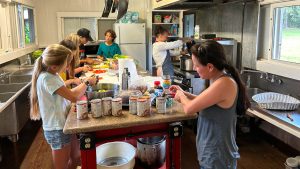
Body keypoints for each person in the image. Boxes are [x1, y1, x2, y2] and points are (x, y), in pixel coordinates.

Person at [170, 40, 250, 169]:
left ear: (210, 67)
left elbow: (189, 109)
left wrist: (182, 97)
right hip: (212, 152)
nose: (195, 69)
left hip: (218, 156)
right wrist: (184, 93)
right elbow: (208, 102)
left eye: (196, 65)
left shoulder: (224, 83)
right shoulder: (217, 78)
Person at [30, 44, 96, 169]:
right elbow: (73, 97)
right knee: (61, 166)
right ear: (54, 65)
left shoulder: (53, 75)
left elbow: (69, 94)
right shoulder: (48, 78)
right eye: (66, 63)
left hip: (64, 124)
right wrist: (87, 82)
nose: (67, 66)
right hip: (57, 128)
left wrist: (83, 83)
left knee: (76, 157)